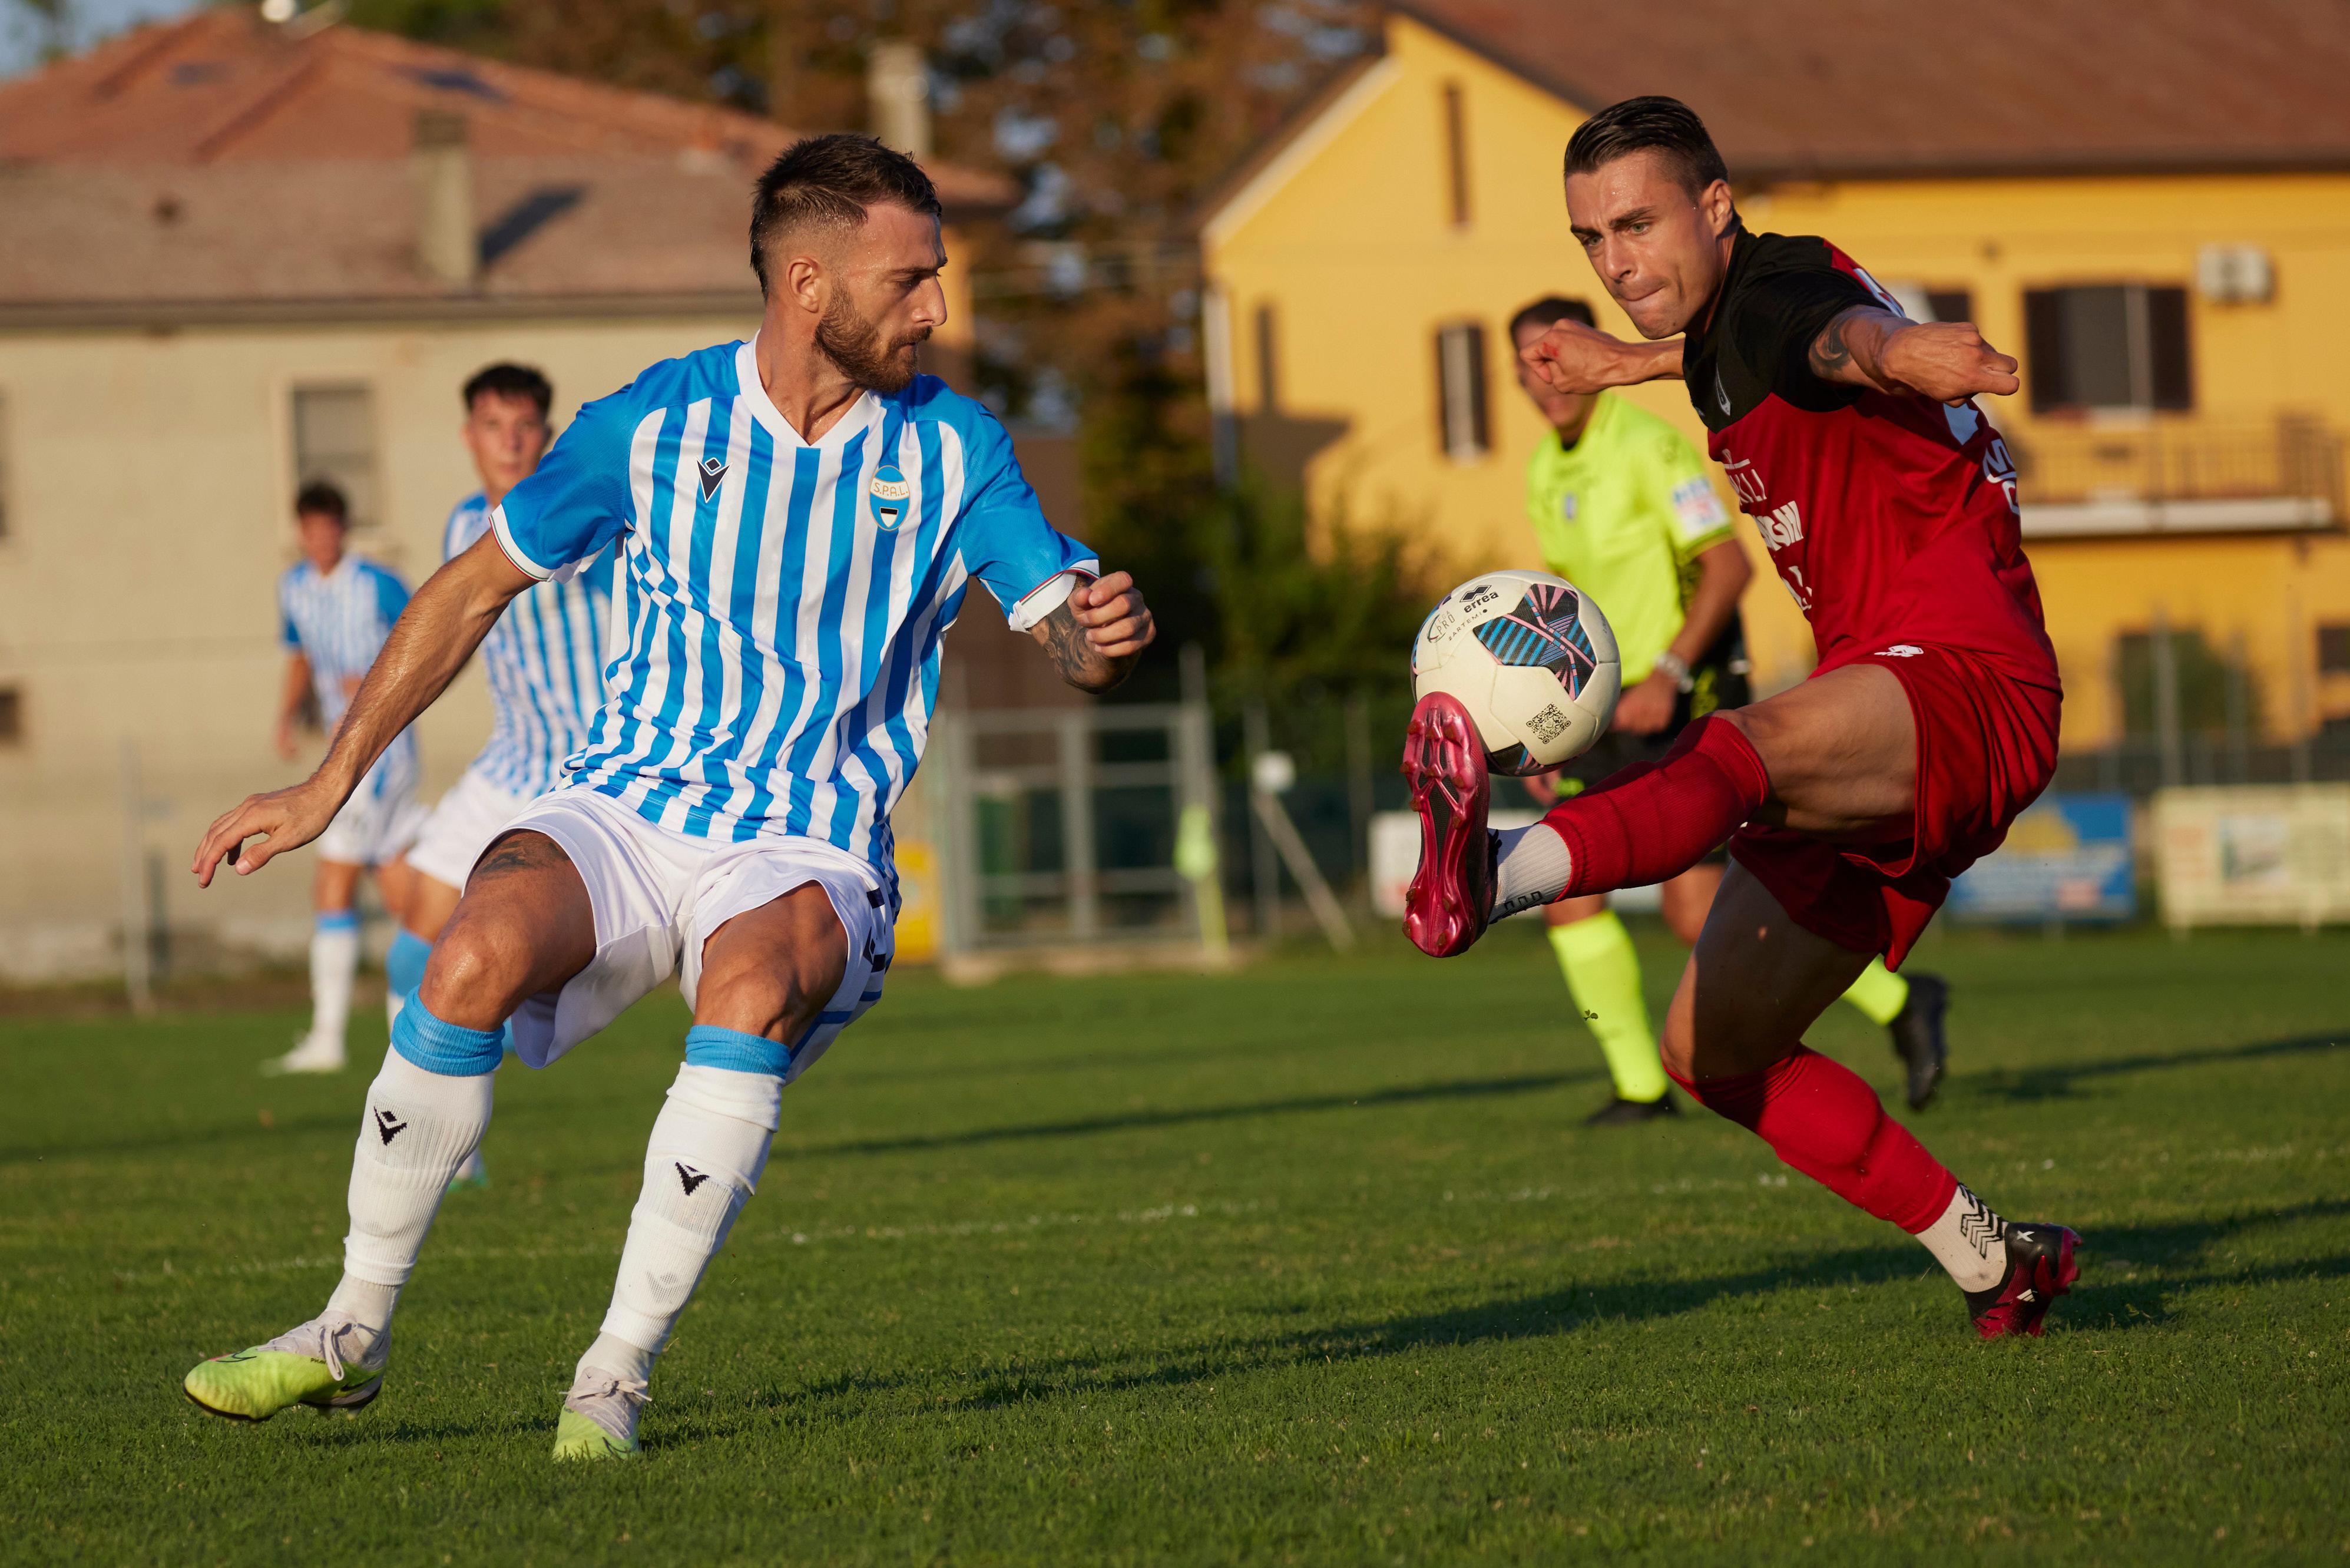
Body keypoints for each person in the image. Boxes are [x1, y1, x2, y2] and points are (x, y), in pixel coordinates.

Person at [180, 134, 1156, 1454]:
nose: (936, 308)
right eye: (912, 278)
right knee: (468, 951)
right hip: (626, 801)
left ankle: (611, 1375)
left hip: (807, 834)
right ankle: (349, 1329)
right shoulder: (652, 424)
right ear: (807, 283)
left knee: (751, 983)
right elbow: (470, 589)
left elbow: (1064, 633)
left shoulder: (956, 449)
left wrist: (1104, 627)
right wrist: (324, 783)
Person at [1402, 98, 2076, 1338]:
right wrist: (1623, 363)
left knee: (1745, 749)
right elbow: (1742, 349)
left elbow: (1831, 336)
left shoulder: (1783, 292)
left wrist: (1900, 352)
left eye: (1640, 222)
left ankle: (1488, 875)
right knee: (1715, 1056)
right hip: (1893, 709)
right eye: (1592, 237)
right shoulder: (1725, 327)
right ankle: (1994, 1258)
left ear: (1717, 206)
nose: (1616, 261)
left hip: (1966, 682)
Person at [1507, 297, 1949, 1124]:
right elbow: (1563, 616)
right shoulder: (1543, 471)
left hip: (1686, 692)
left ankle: (1899, 1000)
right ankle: (1639, 1086)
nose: (1546, 376)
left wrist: (1668, 673)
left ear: (1586, 354)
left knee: (1692, 908)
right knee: (1571, 897)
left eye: (1555, 353)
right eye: (1529, 361)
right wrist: (1554, 732)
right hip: (1607, 708)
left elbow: (1726, 570)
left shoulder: (1645, 446)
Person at [383, 363, 617, 1190]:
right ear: (470, 437)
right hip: (509, 759)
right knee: (411, 943)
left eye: (525, 424)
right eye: (494, 424)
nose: (510, 439)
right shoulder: (460, 525)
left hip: (588, 772)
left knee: (517, 967)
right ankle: (442, 1145)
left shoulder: (586, 507)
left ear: (545, 435)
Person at [263, 481, 422, 1076]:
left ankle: (329, 1038)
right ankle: (423, 1028)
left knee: (333, 883)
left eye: (330, 526)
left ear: (344, 529)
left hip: (382, 750)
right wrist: (285, 716)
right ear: (301, 531)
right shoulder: (295, 588)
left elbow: (428, 640)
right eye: (311, 527)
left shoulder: (377, 582)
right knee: (405, 891)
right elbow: (299, 654)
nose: (321, 537)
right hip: (341, 747)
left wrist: (382, 682)